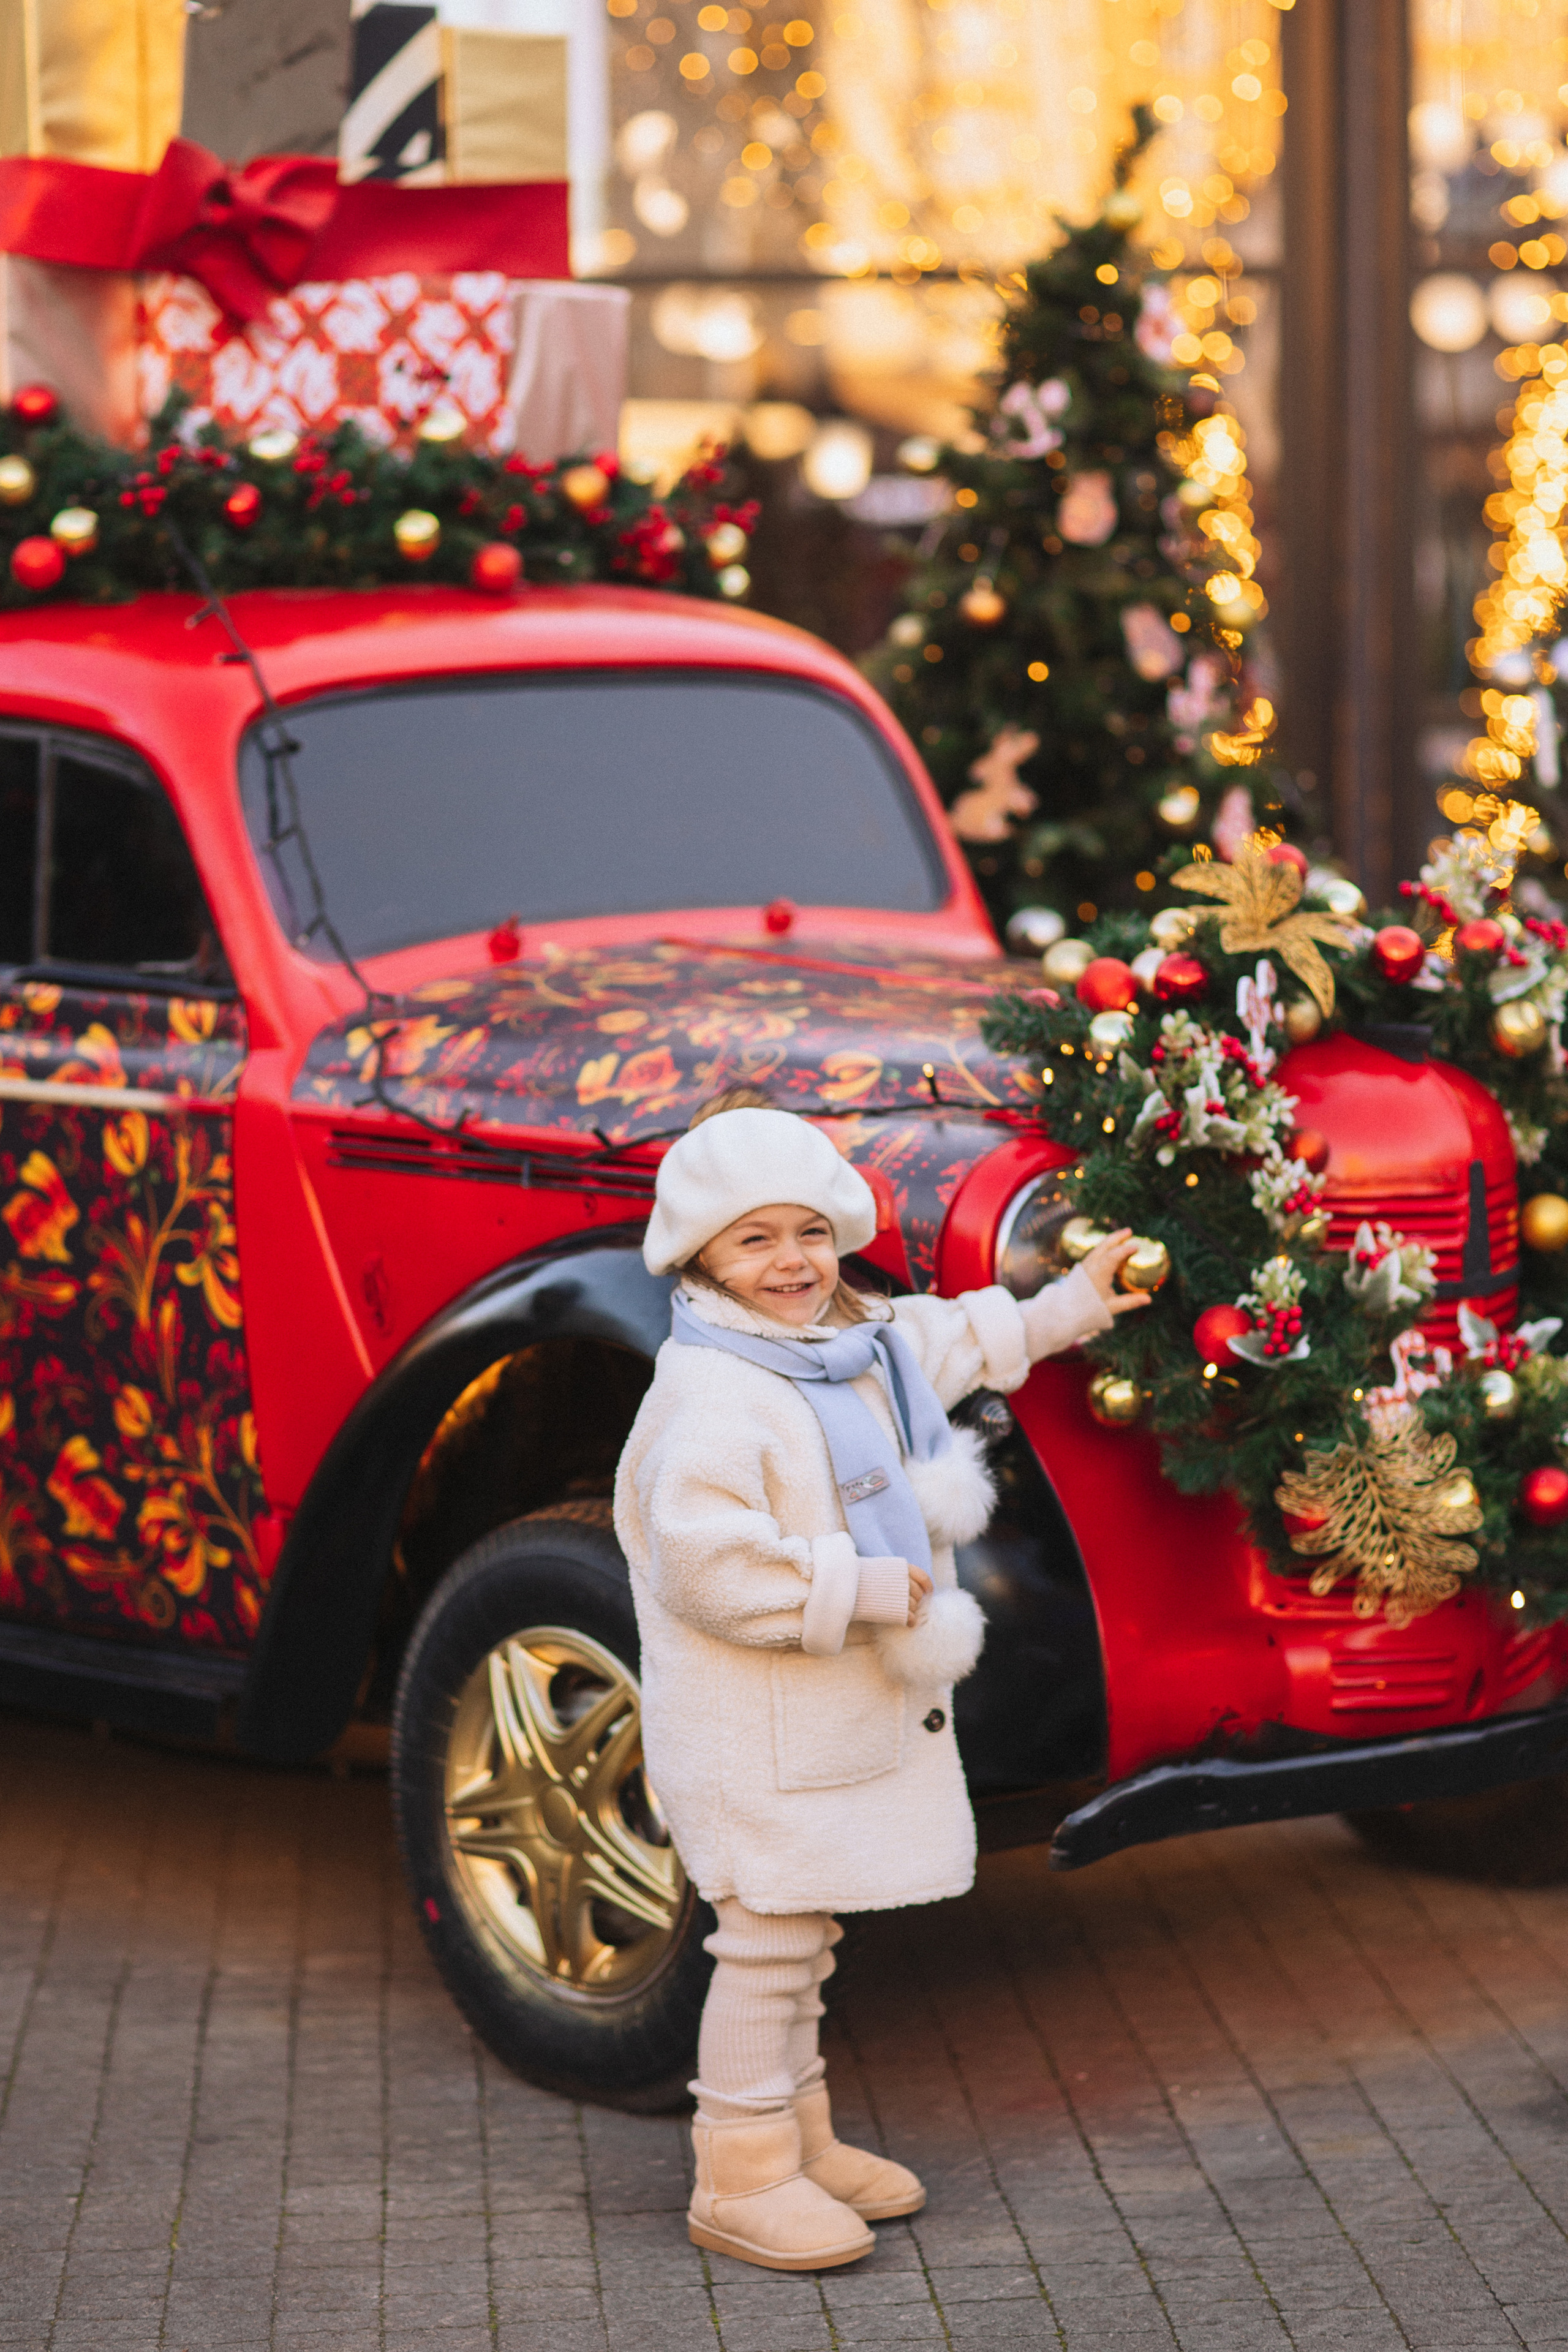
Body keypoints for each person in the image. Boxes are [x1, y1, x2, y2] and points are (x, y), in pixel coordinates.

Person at [613, 1090, 1147, 2273]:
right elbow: (708, 1564)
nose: (792, 1261)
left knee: (812, 1930)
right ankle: (740, 2169)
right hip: (755, 1733)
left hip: (835, 1722)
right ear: (702, 1256)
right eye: (755, 1240)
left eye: (809, 1229)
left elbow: (963, 1337)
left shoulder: (862, 1341)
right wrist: (849, 1586)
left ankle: (799, 2131)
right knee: (764, 1938)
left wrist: (1074, 1301)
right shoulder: (713, 1393)